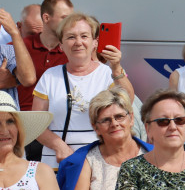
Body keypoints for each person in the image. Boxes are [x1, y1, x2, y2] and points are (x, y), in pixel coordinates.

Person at [33, 13, 133, 167]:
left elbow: (128, 101)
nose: (78, 42)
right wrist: (59, 146)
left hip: (100, 163)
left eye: (84, 36)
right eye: (71, 37)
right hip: (58, 163)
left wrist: (116, 68)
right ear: (61, 45)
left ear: (95, 42)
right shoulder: (50, 76)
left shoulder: (107, 74)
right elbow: (36, 124)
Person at [17, 0, 73, 112]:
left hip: (61, 122)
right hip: (23, 121)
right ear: (46, 18)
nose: (70, 23)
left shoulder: (74, 51)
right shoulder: (17, 47)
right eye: (65, 18)